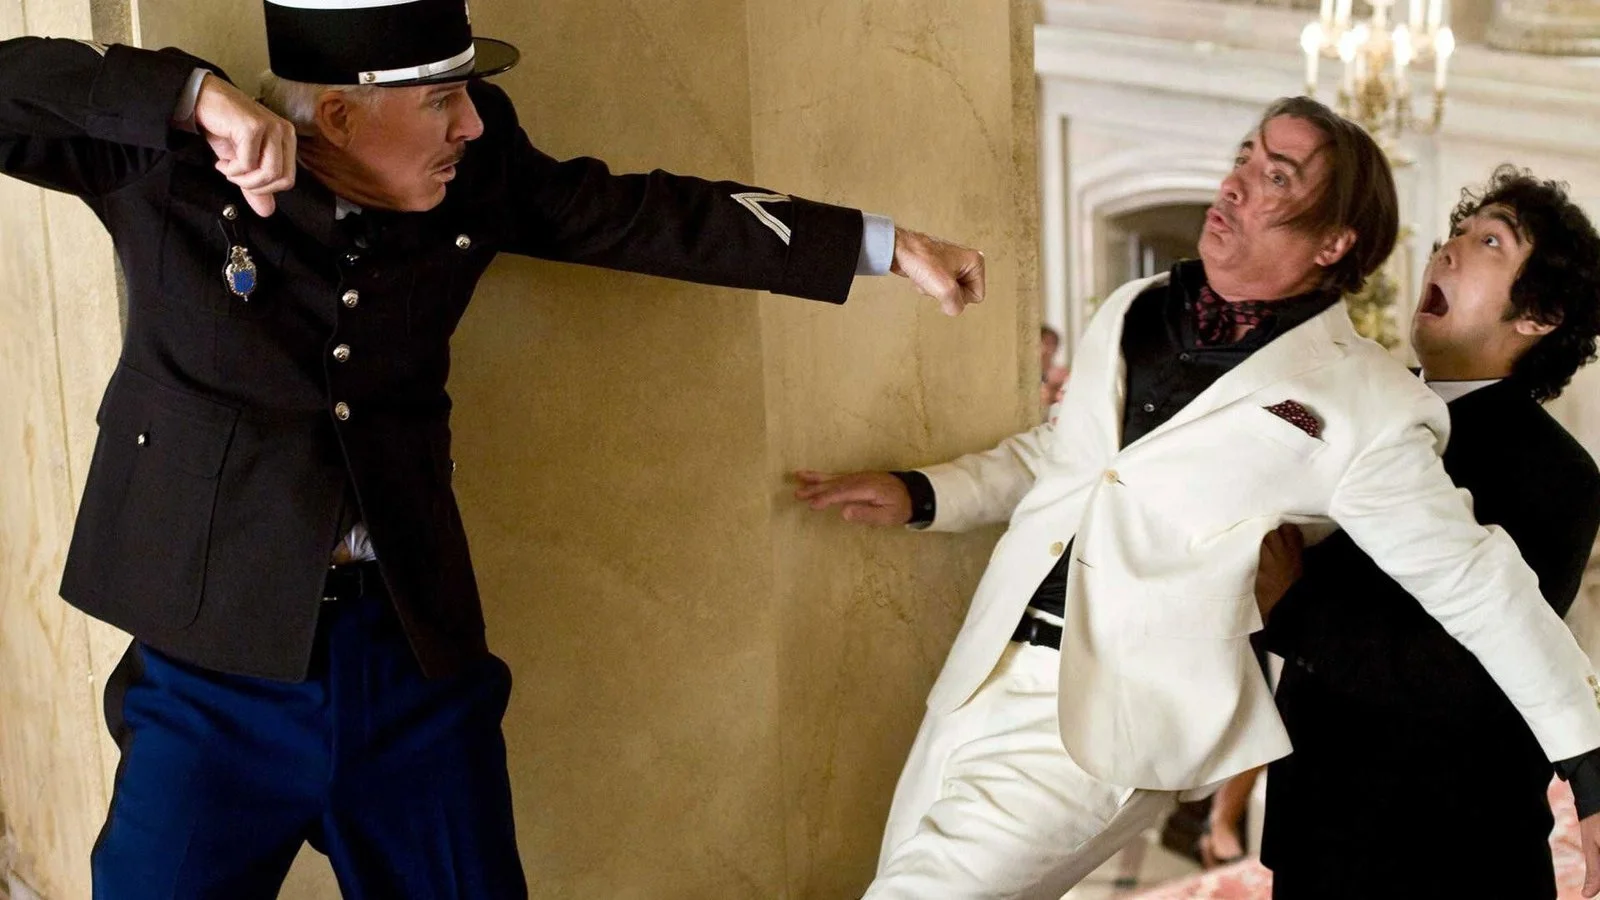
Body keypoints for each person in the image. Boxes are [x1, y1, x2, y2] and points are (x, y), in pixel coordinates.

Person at [0, 2, 986, 896]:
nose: (471, 124)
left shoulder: (476, 174)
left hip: (408, 658)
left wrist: (880, 244)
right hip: (209, 670)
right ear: (336, 116)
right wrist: (187, 95)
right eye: (442, 102)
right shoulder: (169, 171)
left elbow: (649, 216)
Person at [793, 98, 1600, 899]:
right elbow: (1070, 456)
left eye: (1276, 177)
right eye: (1245, 157)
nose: (1236, 184)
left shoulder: (1366, 405)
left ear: (1335, 242)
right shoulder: (1136, 307)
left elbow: (1483, 593)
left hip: (1113, 721)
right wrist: (924, 493)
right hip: (983, 669)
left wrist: (1591, 772)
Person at [1257, 166, 1600, 899]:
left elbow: (1469, 678)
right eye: (1454, 233)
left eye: (1489, 242)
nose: (1447, 250)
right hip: (1315, 824)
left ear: (1539, 314)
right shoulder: (1361, 403)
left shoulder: (1558, 473)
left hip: (1448, 851)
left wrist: (1292, 607)